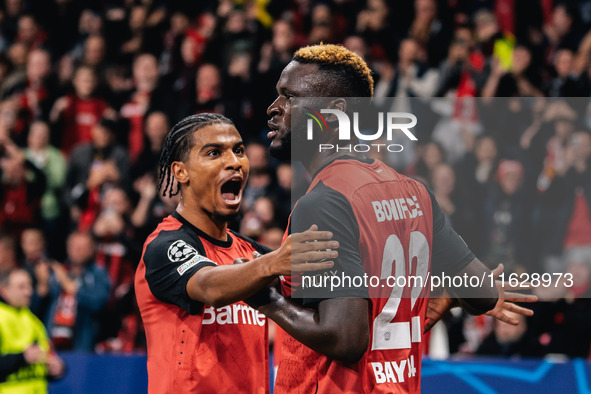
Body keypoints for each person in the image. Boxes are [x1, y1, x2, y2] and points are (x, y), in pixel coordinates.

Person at [255, 44, 536, 393]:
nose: (274, 108)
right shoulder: (413, 191)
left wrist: (266, 298)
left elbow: (346, 339)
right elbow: (479, 292)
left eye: (289, 97)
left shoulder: (324, 201)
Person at [134, 113, 337, 393]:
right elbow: (209, 286)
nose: (234, 162)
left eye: (238, 150)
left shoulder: (252, 252)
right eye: (214, 152)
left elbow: (332, 289)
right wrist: (272, 264)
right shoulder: (164, 246)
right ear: (181, 172)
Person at [0, 268, 65, 394]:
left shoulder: (34, 320)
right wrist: (21, 358)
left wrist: (57, 368)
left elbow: (46, 356)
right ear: (4, 290)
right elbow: (24, 358)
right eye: (21, 287)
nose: (28, 291)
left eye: (30, 285)